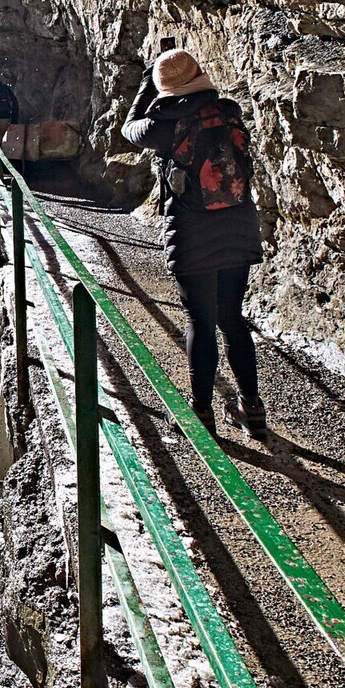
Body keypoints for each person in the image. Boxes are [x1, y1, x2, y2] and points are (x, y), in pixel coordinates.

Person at [121, 48, 267, 437]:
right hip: (237, 224)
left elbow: (128, 128)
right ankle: (252, 409)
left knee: (199, 321)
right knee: (231, 318)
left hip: (193, 231)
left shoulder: (164, 123)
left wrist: (145, 83)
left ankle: (201, 413)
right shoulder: (229, 110)